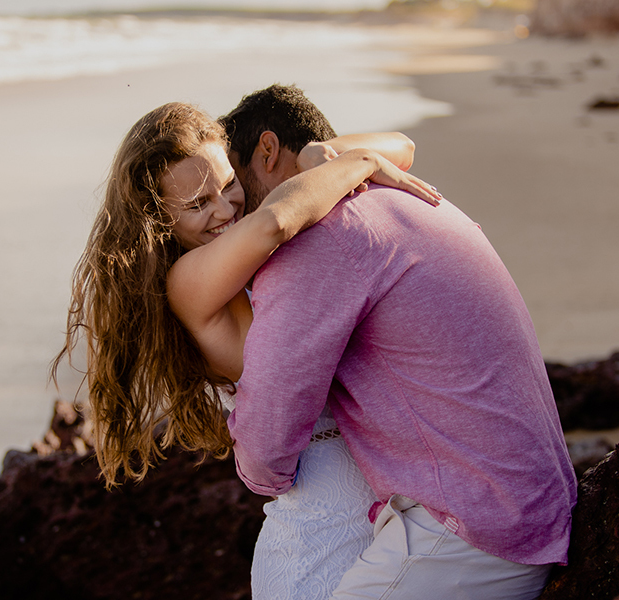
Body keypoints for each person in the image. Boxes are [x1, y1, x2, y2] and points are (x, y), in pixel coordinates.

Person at [53, 101, 441, 595]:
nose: (224, 209)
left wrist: (323, 152)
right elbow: (273, 223)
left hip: (385, 505)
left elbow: (403, 147)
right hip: (317, 527)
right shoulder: (188, 281)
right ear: (159, 220)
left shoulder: (243, 238)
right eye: (197, 205)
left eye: (228, 183)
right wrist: (354, 163)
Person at [219, 84, 577, 599]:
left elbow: (266, 449)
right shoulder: (405, 196)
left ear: (267, 152)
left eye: (233, 179)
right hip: (536, 501)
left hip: (474, 534)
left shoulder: (314, 245)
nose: (231, 208)